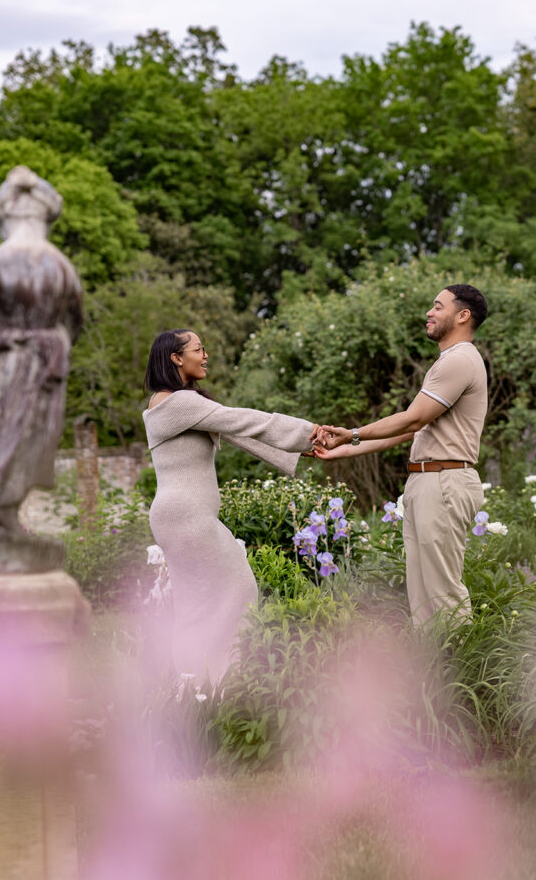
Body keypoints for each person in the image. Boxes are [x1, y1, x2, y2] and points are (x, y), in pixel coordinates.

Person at [143, 328, 320, 681]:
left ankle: (193, 689)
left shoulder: (173, 403)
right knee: (239, 589)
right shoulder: (180, 403)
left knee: (195, 606)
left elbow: (236, 431)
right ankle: (223, 681)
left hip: (176, 518)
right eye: (198, 349)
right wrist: (308, 432)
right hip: (188, 517)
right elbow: (245, 419)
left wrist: (301, 447)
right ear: (176, 358)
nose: (205, 355)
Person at [314, 284, 488, 626]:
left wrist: (352, 432)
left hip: (444, 482)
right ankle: (437, 671)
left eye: (438, 306)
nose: (429, 312)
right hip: (430, 481)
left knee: (443, 595)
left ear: (463, 315)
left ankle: (468, 675)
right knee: (425, 599)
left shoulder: (460, 360)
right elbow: (412, 431)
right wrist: (346, 449)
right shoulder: (451, 362)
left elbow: (413, 417)